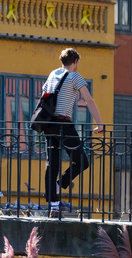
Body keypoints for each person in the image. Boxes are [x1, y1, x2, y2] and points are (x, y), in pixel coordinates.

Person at [39, 48, 104, 216]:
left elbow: (44, 92)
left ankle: (53, 205)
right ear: (75, 62)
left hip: (48, 125)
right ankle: (60, 185)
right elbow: (89, 101)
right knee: (82, 162)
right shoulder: (75, 76)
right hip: (63, 124)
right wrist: (100, 124)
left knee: (51, 163)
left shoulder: (53, 74)